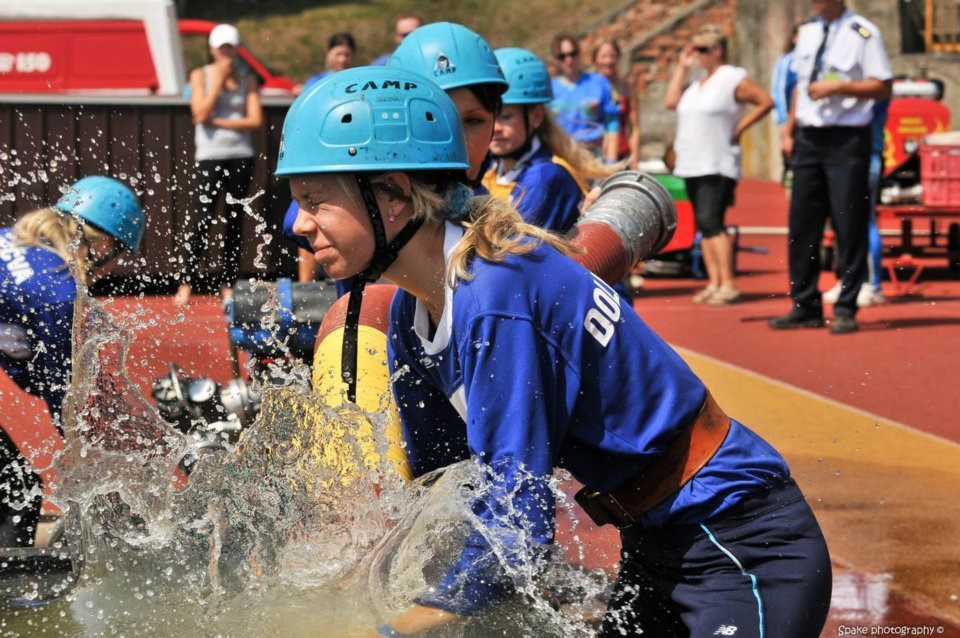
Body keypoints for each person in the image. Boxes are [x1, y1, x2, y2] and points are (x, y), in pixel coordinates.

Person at [280, 66, 832, 638]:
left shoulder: (495, 295)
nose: (298, 224)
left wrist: (398, 625)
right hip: (658, 544)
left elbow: (516, 516)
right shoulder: (410, 312)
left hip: (742, 545)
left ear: (392, 194)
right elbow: (439, 482)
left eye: (315, 201)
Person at [0, 176, 144, 547]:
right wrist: (109, 482)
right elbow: (67, 405)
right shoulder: (55, 293)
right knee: (16, 492)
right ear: (104, 244)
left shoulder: (12, 239)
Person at [770, 0, 892, 334]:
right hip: (809, 137)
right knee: (802, 223)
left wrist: (840, 86)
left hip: (847, 138)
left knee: (848, 222)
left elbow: (883, 86)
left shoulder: (863, 33)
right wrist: (789, 130)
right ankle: (804, 304)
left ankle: (846, 306)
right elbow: (800, 87)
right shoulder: (808, 32)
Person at [665, 26, 773, 306]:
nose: (697, 55)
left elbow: (765, 101)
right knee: (704, 224)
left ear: (718, 50)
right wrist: (682, 67)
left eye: (702, 50)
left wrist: (740, 127)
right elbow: (671, 101)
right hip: (692, 162)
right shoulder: (696, 82)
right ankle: (714, 282)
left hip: (717, 161)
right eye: (694, 50)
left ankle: (728, 283)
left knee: (713, 221)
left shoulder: (732, 78)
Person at [175, 23, 263, 306]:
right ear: (212, 49)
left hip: (241, 154)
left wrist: (219, 122)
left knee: (235, 220)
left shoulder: (248, 78)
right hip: (209, 155)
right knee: (202, 218)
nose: (226, 52)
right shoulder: (200, 74)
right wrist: (219, 81)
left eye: (230, 47)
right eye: (222, 47)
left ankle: (228, 282)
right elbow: (200, 113)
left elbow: (255, 120)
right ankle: (187, 281)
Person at [483, 47, 615, 233]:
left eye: (506, 116)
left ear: (536, 116)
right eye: (488, 117)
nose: (495, 128)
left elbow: (510, 246)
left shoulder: (544, 178)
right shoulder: (491, 167)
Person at [823, 98, 888, 307]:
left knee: (864, 221)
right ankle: (847, 280)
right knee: (842, 221)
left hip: (866, 154)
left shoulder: (873, 88)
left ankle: (872, 285)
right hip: (842, 154)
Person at [549, 34, 622, 163]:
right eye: (562, 56)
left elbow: (612, 123)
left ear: (579, 54)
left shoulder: (598, 82)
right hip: (561, 156)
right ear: (555, 60)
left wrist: (611, 160)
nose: (569, 60)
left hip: (593, 154)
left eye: (573, 54)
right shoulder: (549, 89)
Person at [593, 40, 641, 166]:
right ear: (595, 59)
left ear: (618, 58)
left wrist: (634, 162)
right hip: (594, 155)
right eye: (603, 56)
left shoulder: (627, 88)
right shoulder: (588, 88)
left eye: (612, 56)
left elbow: (634, 128)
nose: (608, 61)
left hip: (621, 156)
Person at [772, 23, 801, 188]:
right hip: (792, 121)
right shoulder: (787, 61)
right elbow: (779, 91)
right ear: (793, 38)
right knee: (792, 160)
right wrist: (784, 123)